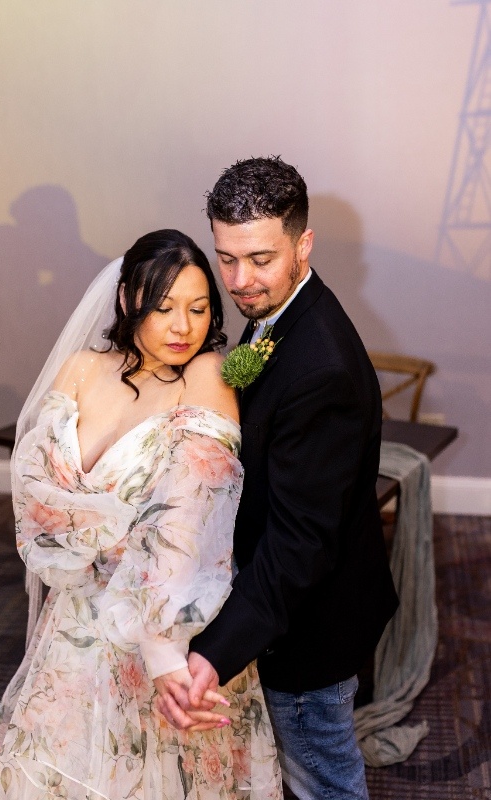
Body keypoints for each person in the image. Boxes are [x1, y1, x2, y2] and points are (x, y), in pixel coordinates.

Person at [0, 229, 282, 800]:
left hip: (163, 624)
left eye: (200, 309)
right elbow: (33, 489)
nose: (185, 327)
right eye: (164, 308)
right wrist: (109, 526)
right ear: (130, 300)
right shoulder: (81, 368)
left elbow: (189, 521)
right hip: (76, 619)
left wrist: (162, 651)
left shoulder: (206, 376)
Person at [159, 158, 400, 800]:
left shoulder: (321, 366)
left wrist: (212, 656)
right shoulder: (279, 312)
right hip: (295, 597)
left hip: (311, 627)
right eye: (226, 258)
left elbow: (299, 545)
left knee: (323, 780)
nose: (240, 281)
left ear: (304, 244)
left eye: (259, 259)